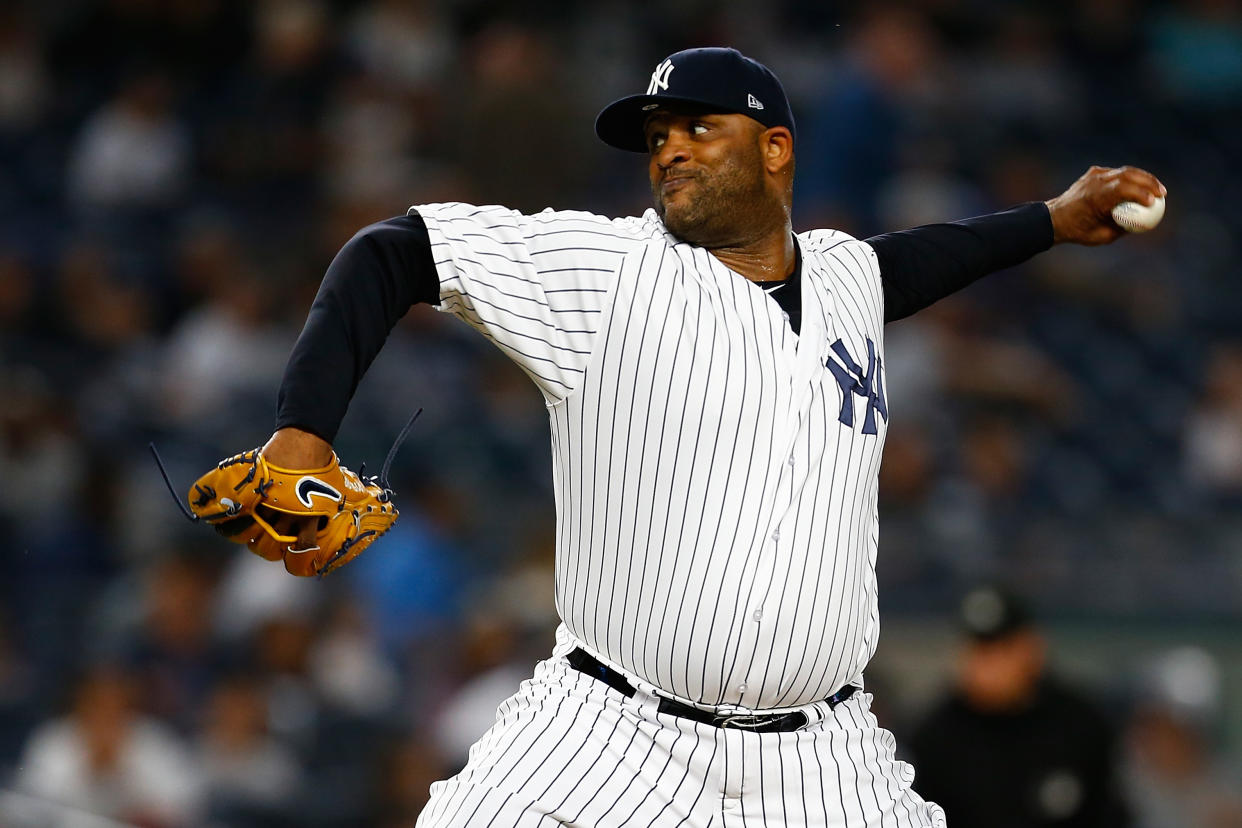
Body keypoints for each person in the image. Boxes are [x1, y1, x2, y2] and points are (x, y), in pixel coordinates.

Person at [216, 47, 1165, 826]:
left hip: (825, 759)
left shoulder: (846, 281)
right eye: (658, 136)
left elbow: (921, 262)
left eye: (700, 128)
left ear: (777, 148)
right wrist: (302, 433)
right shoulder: (610, 272)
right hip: (610, 735)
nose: (670, 149)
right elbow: (394, 251)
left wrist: (1049, 221)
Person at [907, 585, 1129, 828]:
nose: (988, 665)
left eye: (1001, 648)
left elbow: (1110, 814)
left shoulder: (1081, 725)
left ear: (1033, 647)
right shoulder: (933, 738)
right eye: (978, 649)